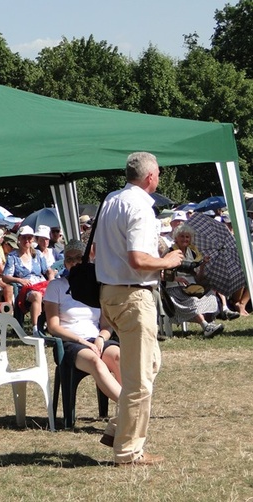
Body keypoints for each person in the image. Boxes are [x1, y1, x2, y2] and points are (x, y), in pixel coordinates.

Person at [94, 152, 184, 467]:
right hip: (133, 295)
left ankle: (118, 429)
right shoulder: (140, 208)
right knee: (140, 380)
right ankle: (128, 451)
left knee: (150, 365)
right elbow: (138, 259)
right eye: (158, 173)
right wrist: (169, 260)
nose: (158, 177)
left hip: (112, 293)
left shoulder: (111, 200)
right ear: (150, 177)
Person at [44, 239, 122, 404]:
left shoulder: (96, 287)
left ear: (86, 259)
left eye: (79, 258)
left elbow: (107, 325)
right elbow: (53, 327)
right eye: (69, 259)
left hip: (96, 339)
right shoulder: (56, 286)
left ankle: (125, 411)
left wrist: (101, 338)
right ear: (64, 263)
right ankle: (130, 406)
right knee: (95, 362)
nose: (74, 262)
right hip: (71, 343)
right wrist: (82, 342)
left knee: (118, 357)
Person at [163, 224, 227, 337]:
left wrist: (202, 265)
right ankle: (205, 326)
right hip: (174, 288)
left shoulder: (192, 253)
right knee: (192, 300)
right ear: (176, 238)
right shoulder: (170, 252)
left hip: (191, 286)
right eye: (182, 236)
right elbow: (162, 273)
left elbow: (198, 278)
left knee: (211, 295)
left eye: (187, 237)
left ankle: (209, 324)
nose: (185, 239)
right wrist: (176, 278)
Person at [2, 225, 55, 334]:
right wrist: (19, 280)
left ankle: (53, 326)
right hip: (25, 288)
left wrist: (51, 281)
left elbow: (48, 271)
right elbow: (5, 277)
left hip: (40, 285)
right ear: (19, 239)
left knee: (54, 293)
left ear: (33, 239)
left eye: (29, 238)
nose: (27, 240)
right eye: (24, 237)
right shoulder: (13, 257)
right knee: (36, 295)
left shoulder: (38, 254)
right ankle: (36, 329)